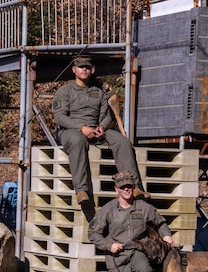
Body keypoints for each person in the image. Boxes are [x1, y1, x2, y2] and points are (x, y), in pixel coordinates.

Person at [52, 55, 146, 221]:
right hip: (71, 130)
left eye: (87, 67)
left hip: (96, 130)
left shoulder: (99, 92)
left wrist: (102, 127)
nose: (84, 70)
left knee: (121, 141)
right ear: (74, 69)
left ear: (92, 70)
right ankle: (82, 191)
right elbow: (60, 117)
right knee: (77, 141)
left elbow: (107, 114)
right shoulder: (64, 92)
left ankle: (133, 186)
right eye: (81, 67)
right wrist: (81, 128)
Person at [88, 171, 174, 272]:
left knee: (145, 270)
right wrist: (109, 245)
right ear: (116, 189)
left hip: (137, 250)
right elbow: (93, 233)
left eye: (129, 186)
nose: (126, 189)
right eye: (122, 187)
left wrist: (166, 235)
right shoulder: (107, 210)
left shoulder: (144, 208)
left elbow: (161, 224)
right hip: (117, 256)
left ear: (134, 187)